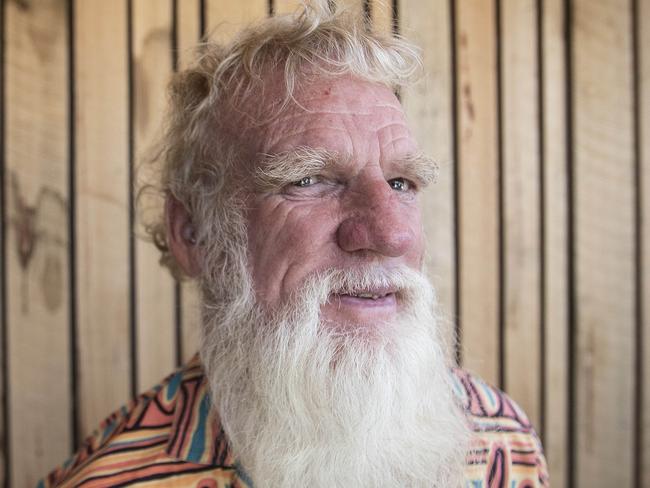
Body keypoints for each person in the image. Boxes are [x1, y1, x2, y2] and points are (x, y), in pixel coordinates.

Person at [42, 2, 548, 486]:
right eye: (309, 180)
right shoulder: (117, 478)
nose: (393, 235)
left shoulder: (502, 440)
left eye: (402, 183)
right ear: (193, 233)